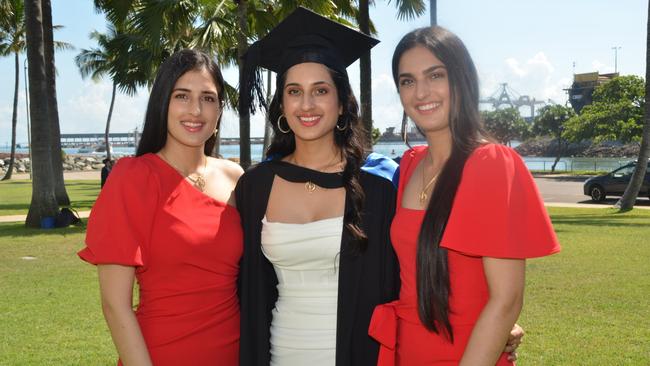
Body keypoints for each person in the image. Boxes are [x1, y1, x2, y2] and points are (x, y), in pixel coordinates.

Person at [236, 8, 523, 366]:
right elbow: (234, 281)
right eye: (294, 91)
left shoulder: (381, 183)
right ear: (282, 103)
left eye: (320, 90)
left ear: (342, 104)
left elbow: (417, 268)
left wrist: (499, 317)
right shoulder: (255, 187)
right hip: (280, 354)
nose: (306, 104)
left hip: (364, 356)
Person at [369, 26, 561, 365]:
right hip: (406, 352)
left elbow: (506, 300)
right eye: (407, 81)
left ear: (462, 79)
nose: (421, 92)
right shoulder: (410, 166)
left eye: (435, 75)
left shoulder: (491, 164)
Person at [78, 49, 243, 366]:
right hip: (160, 354)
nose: (195, 110)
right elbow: (115, 304)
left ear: (220, 110)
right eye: (182, 96)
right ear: (163, 103)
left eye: (208, 98)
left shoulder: (236, 178)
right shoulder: (133, 178)